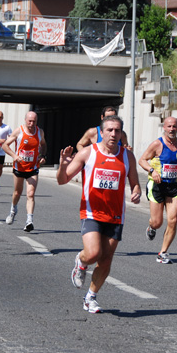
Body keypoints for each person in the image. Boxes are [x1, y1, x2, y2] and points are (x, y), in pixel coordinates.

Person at [57, 115, 141, 313]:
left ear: (121, 134)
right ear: (101, 133)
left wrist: (136, 192)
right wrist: (62, 165)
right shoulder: (88, 153)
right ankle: (81, 261)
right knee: (94, 253)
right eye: (110, 130)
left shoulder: (127, 156)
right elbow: (62, 180)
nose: (114, 134)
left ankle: (91, 297)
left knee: (105, 260)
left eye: (117, 130)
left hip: (115, 215)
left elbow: (135, 182)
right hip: (91, 212)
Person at [138, 117, 177, 264]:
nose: (172, 129)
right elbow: (142, 160)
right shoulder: (157, 144)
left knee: (173, 220)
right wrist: (152, 170)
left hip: (174, 186)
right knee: (157, 222)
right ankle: (151, 227)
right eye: (169, 126)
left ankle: (163, 252)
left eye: (174, 127)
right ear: (164, 127)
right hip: (157, 186)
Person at [2, 111, 47, 231]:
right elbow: (5, 145)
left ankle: (29, 221)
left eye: (34, 121)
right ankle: (13, 210)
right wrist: (14, 156)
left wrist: (42, 156)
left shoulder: (39, 132)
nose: (32, 124)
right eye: (30, 121)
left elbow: (43, 144)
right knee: (17, 192)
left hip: (33, 168)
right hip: (19, 167)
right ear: (25, 120)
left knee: (30, 194)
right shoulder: (19, 131)